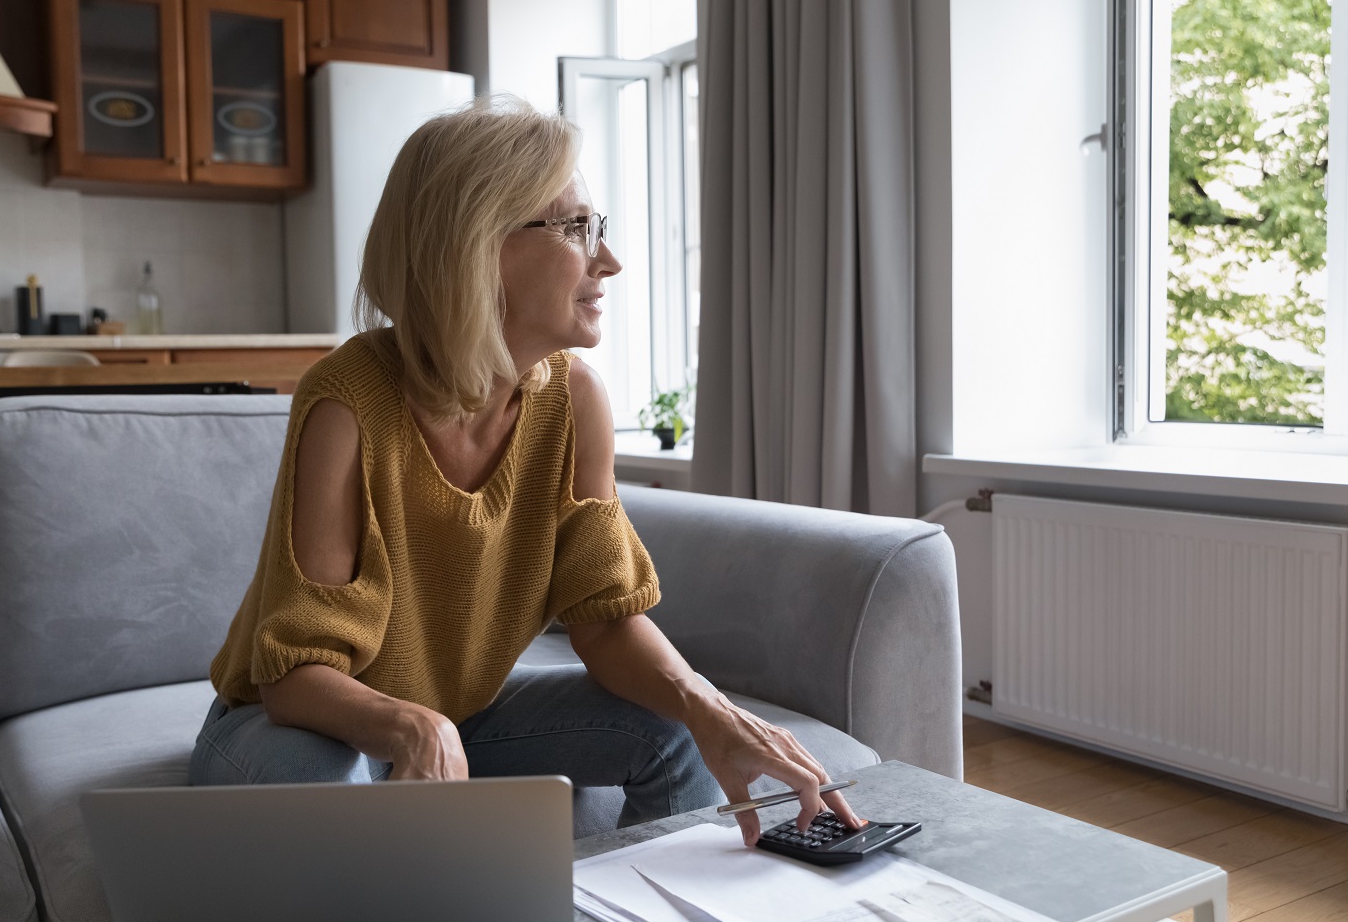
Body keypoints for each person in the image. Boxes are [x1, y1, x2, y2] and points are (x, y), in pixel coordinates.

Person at [188, 97, 862, 844]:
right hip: (297, 729)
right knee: (329, 783)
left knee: (671, 731)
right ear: (476, 244)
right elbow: (292, 675)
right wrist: (409, 727)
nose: (607, 260)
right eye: (576, 228)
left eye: (595, 228)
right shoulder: (346, 404)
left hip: (458, 726)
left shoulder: (574, 400)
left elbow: (605, 623)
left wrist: (711, 708)